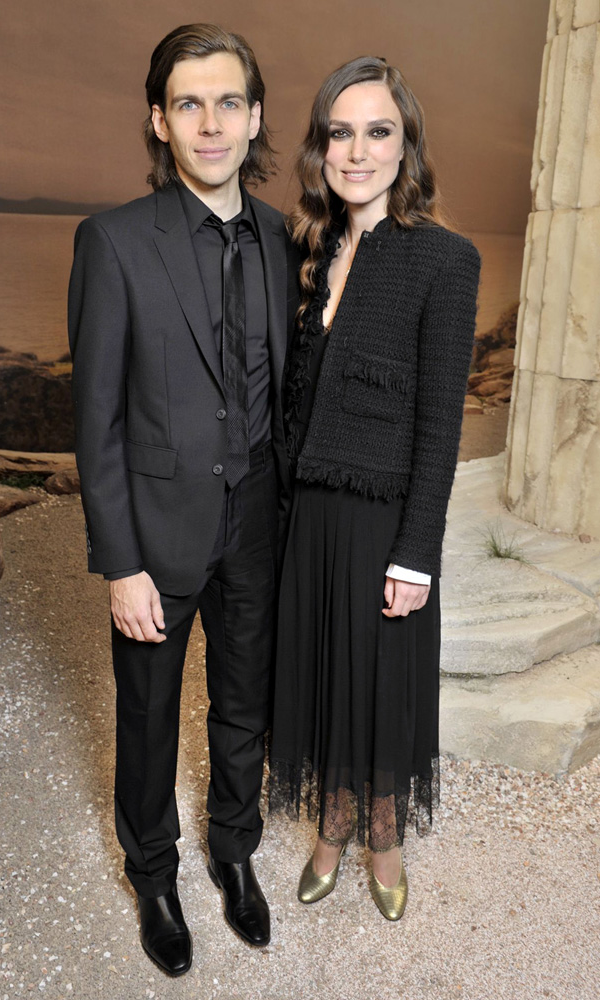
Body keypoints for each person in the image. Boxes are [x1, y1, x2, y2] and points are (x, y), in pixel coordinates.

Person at [68, 23, 299, 976]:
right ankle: (154, 875)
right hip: (157, 535)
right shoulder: (114, 241)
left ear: (254, 118)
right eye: (189, 104)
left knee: (245, 703)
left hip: (258, 521)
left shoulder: (284, 236)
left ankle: (233, 852)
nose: (211, 123)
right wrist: (119, 560)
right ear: (159, 121)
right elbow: (97, 423)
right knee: (149, 713)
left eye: (229, 102)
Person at [269, 55, 481, 921]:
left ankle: (383, 836)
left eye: (377, 131)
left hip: (384, 517)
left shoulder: (443, 259)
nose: (357, 151)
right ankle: (332, 823)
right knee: (321, 671)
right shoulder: (307, 249)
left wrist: (416, 554)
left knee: (382, 682)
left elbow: (439, 422)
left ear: (407, 145)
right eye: (340, 132)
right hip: (306, 513)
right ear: (322, 147)